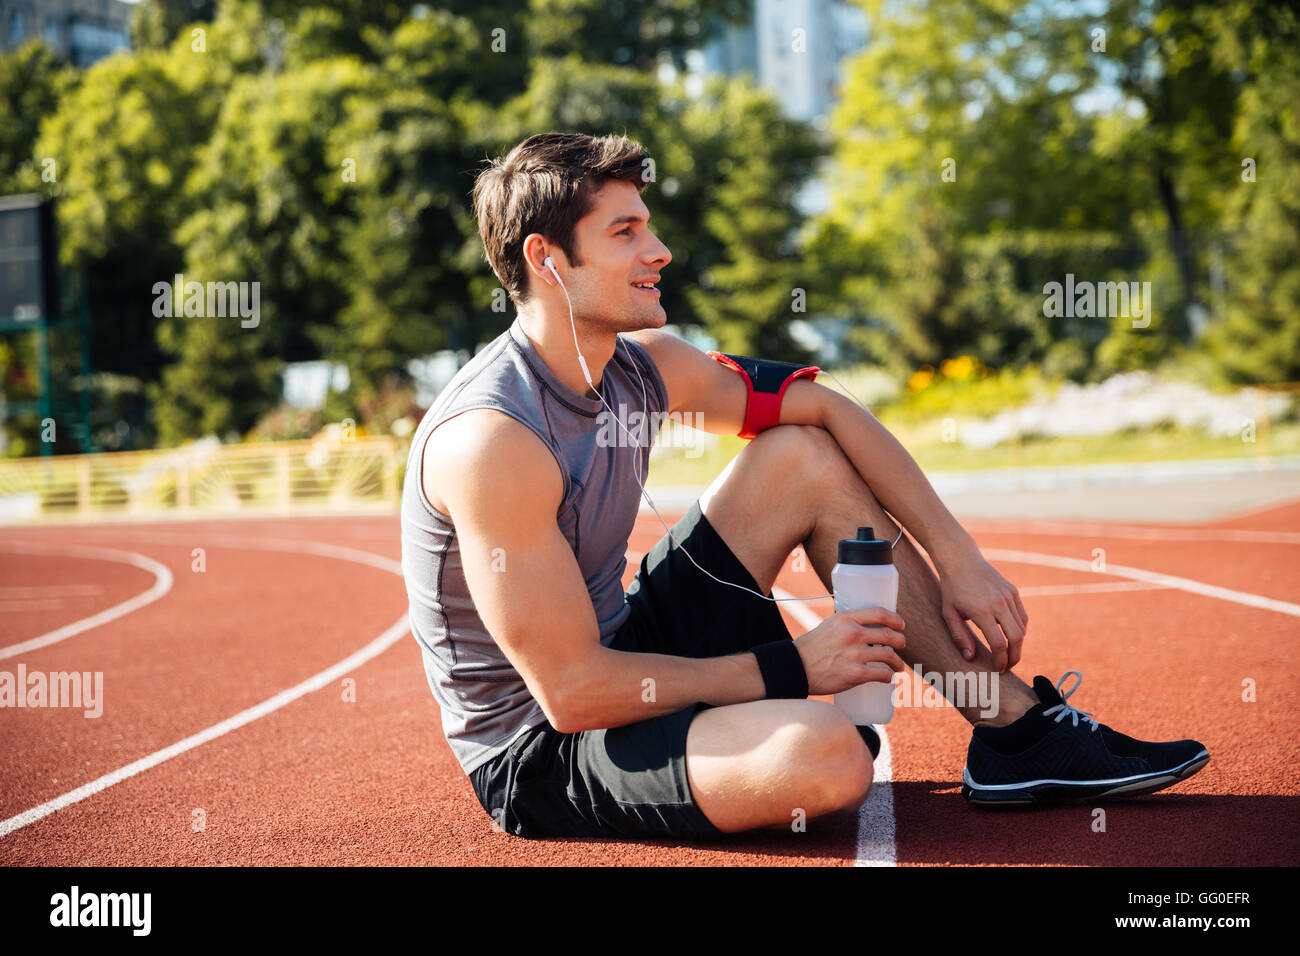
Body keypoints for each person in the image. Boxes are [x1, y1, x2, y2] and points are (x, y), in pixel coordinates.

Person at [398, 132, 1209, 840]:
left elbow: (820, 404)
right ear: (546, 259)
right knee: (825, 757)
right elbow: (573, 692)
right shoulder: (492, 441)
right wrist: (793, 665)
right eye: (626, 232)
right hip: (546, 745)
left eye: (649, 227)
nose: (660, 251)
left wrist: (958, 555)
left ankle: (1018, 736)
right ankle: (752, 726)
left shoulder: (644, 367)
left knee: (799, 451)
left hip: (635, 645)